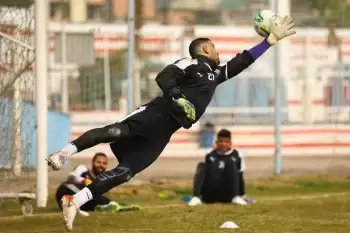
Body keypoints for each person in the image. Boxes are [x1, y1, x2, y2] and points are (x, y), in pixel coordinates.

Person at [46, 16, 296, 231]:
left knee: (126, 172)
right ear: (205, 50)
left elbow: (242, 61)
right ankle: (64, 153)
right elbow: (164, 76)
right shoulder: (192, 63)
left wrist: (269, 42)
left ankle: (74, 202)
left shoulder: (215, 74)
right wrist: (177, 97)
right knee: (111, 132)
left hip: (164, 133)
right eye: (215, 47)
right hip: (154, 114)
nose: (218, 52)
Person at [187, 129, 253, 206]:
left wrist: (242, 195)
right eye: (221, 141)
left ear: (230, 143)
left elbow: (240, 176)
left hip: (228, 194)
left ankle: (236, 197)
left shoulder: (238, 155)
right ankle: (196, 197)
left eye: (226, 142)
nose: (223, 144)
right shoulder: (210, 154)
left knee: (231, 164)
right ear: (216, 142)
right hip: (210, 194)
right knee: (202, 165)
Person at [55, 152, 119, 213]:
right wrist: (84, 181)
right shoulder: (83, 169)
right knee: (92, 196)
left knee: (93, 200)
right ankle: (111, 204)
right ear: (93, 162)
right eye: (98, 162)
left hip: (79, 202)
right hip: (66, 191)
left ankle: (105, 206)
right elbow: (71, 177)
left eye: (104, 163)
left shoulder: (102, 181)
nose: (101, 165)